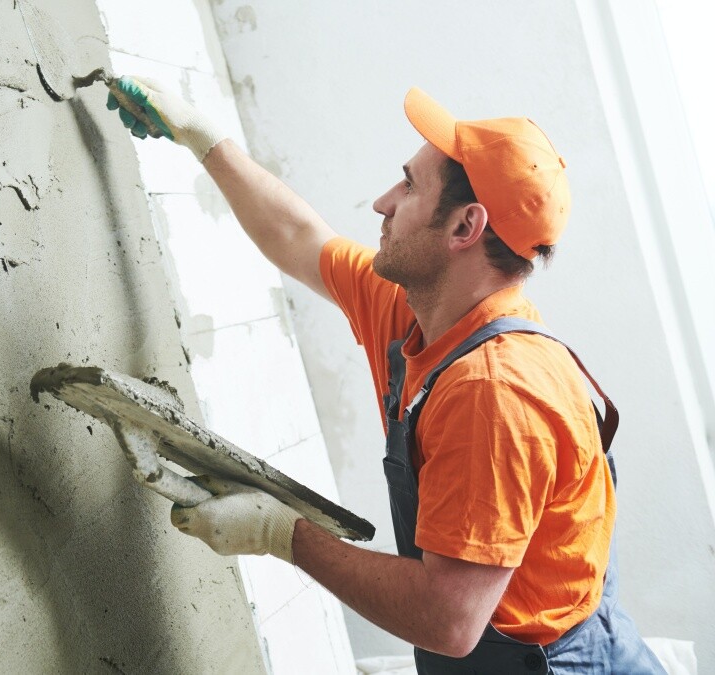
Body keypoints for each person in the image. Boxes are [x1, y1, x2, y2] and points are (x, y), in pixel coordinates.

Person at [106, 76, 665, 673]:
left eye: (409, 185)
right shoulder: (423, 312)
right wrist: (200, 133)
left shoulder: (495, 393)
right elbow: (299, 237)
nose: (382, 202)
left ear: (464, 229)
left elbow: (450, 620)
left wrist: (280, 535)